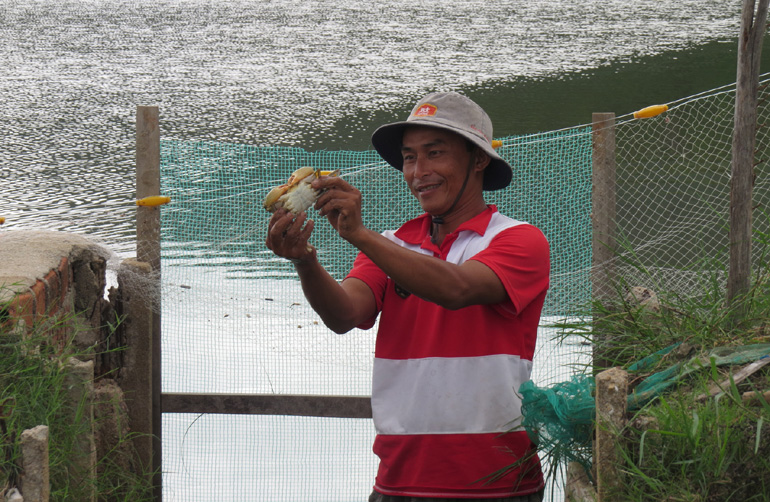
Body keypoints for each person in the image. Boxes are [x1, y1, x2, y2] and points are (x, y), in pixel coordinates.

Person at [266, 92, 549, 501]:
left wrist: (358, 234)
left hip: (498, 483)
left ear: (479, 160)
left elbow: (457, 288)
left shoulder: (519, 239)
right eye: (409, 157)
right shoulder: (392, 244)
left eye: (435, 153)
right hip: (397, 480)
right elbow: (344, 314)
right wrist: (305, 260)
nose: (419, 172)